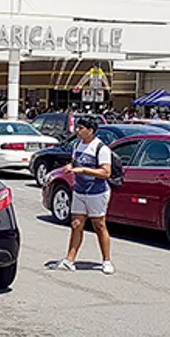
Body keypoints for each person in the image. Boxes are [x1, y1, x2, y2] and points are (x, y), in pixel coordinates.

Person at [50, 117, 115, 275]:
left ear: (90, 130)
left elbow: (106, 172)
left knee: (99, 225)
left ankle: (106, 261)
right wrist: (70, 167)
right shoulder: (78, 145)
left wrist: (85, 170)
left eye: (80, 128)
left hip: (97, 192)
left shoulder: (101, 148)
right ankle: (70, 260)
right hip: (80, 190)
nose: (77, 131)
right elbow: (76, 162)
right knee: (77, 224)